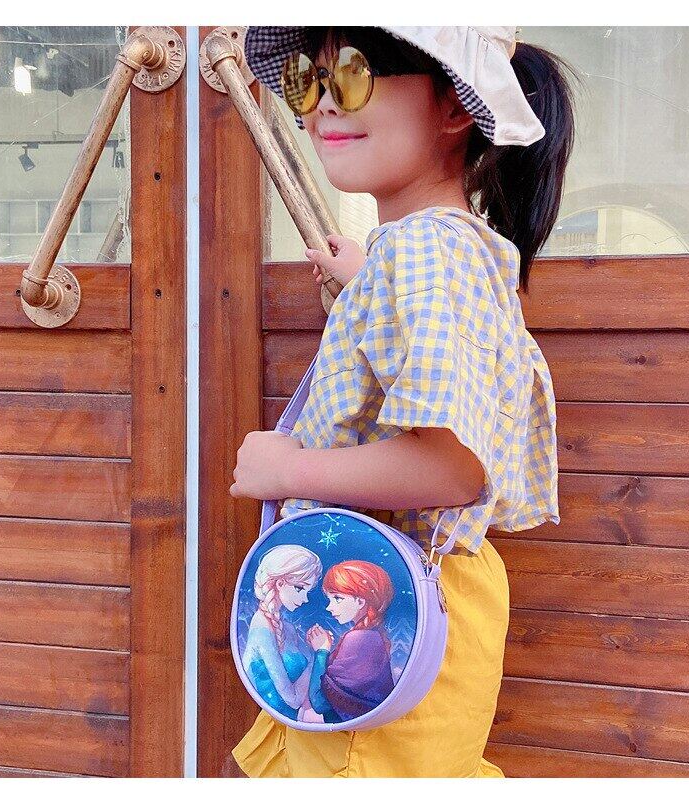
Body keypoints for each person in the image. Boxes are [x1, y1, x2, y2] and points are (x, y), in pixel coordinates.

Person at [229, 25, 576, 777]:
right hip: (407, 602)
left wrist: (288, 470)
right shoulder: (433, 250)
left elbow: (451, 469)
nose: (322, 104)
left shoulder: (424, 253)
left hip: (389, 613)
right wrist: (368, 281)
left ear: (453, 106)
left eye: (352, 74)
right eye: (308, 79)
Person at [303, 560, 395, 724]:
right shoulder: (372, 635)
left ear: (360, 602)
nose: (329, 607)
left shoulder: (359, 639)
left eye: (337, 598)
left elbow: (320, 702)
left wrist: (322, 651)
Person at [240, 545, 323, 721]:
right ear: (280, 583)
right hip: (278, 726)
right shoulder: (261, 629)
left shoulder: (288, 629)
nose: (305, 599)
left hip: (297, 724)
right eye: (300, 588)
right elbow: (293, 699)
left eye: (308, 591)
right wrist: (319, 654)